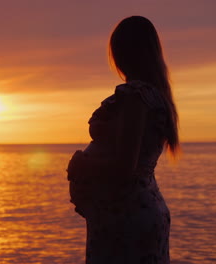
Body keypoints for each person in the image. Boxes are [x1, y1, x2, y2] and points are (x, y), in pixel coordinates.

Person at [67, 16, 179, 264]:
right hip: (138, 211)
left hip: (127, 219)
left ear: (124, 52)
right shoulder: (156, 97)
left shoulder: (135, 95)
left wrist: (81, 165)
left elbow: (124, 167)